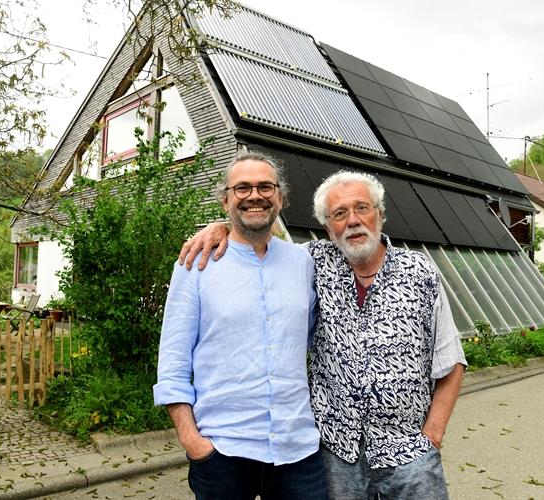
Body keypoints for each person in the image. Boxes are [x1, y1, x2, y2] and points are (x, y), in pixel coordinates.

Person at [180, 169, 466, 499]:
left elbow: (450, 360)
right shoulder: (308, 262)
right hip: (335, 457)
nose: (353, 221)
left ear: (380, 215)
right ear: (328, 228)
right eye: (339, 214)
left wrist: (431, 436)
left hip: (409, 455)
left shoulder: (420, 271)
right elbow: (256, 237)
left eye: (362, 208)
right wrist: (221, 228)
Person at [153, 152, 328, 500]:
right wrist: (194, 443)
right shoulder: (195, 264)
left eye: (265, 186)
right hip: (223, 452)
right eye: (242, 188)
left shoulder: (305, 262)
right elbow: (173, 362)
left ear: (280, 197)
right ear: (225, 198)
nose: (254, 196)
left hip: (299, 451)